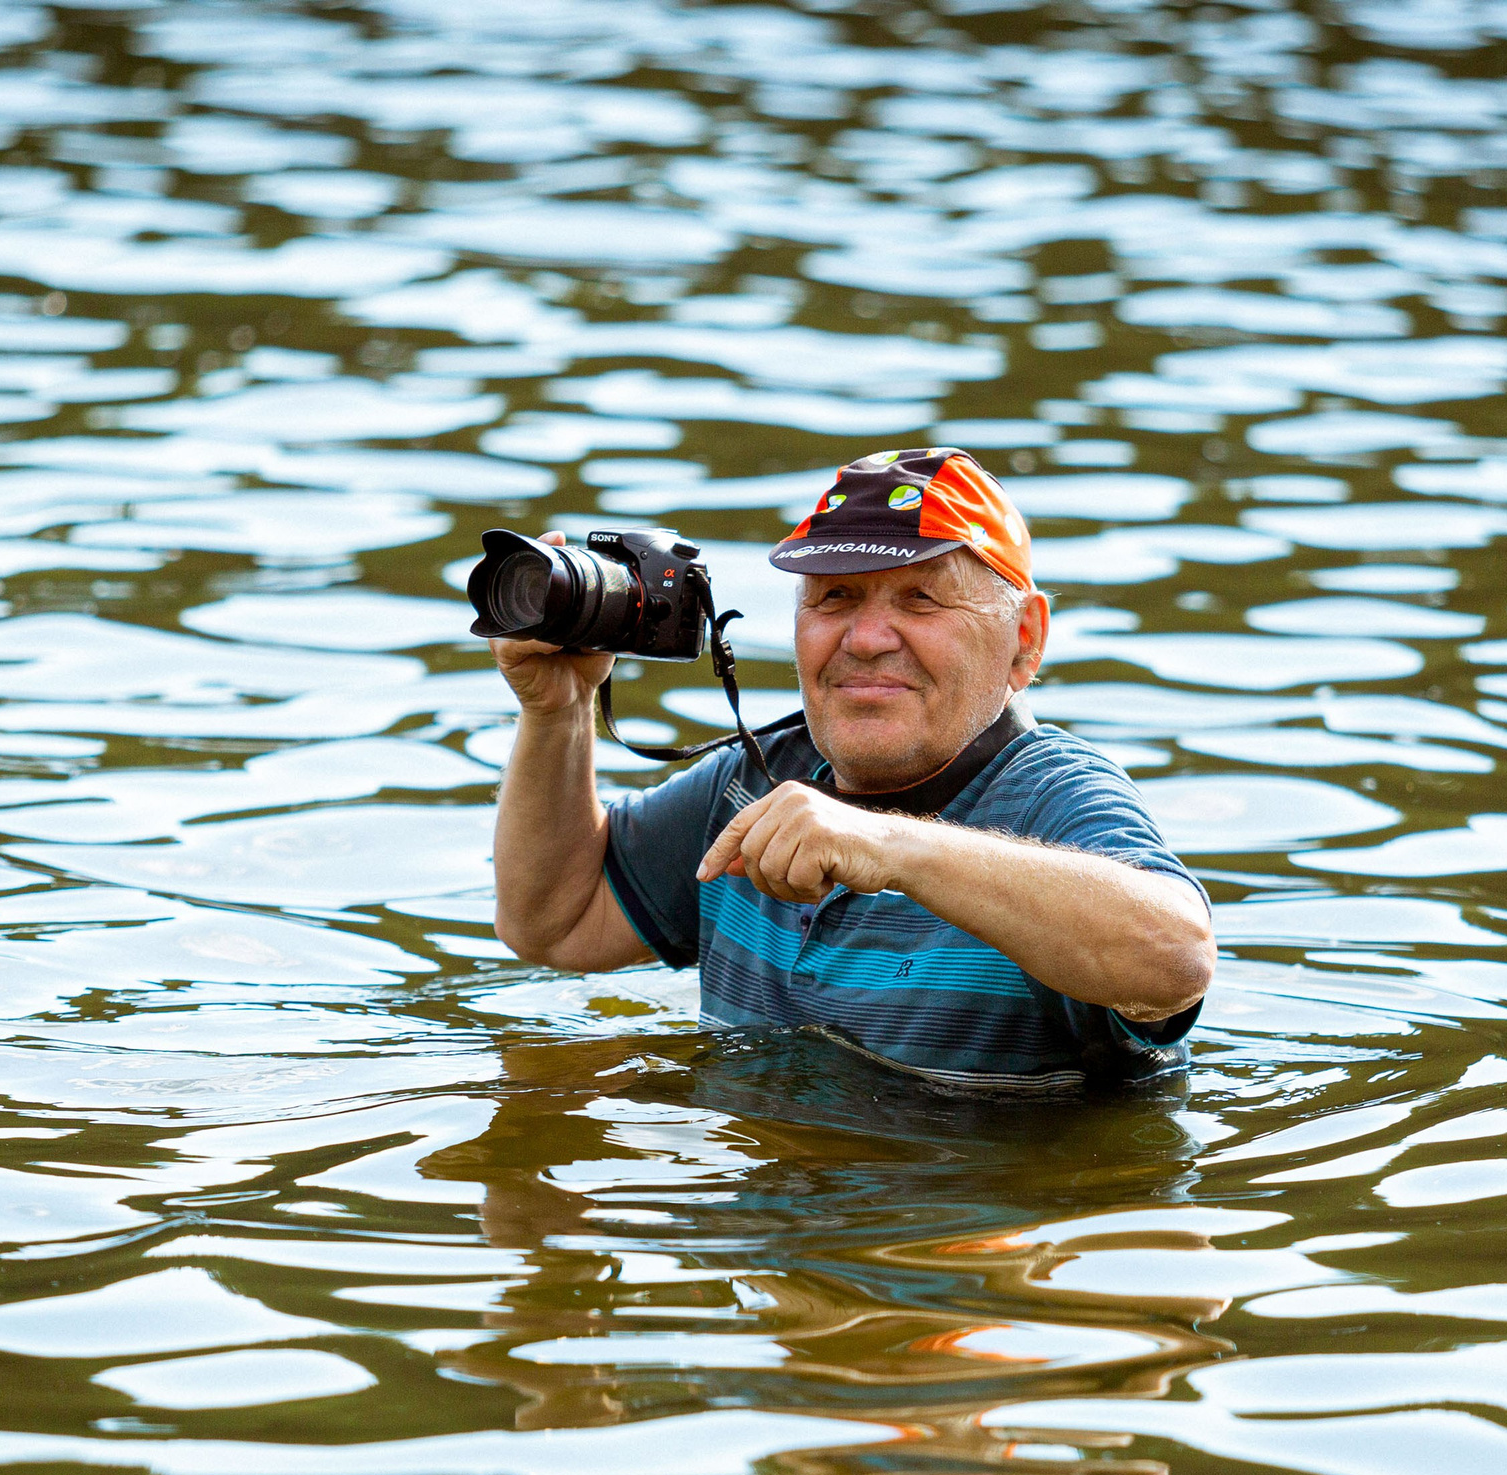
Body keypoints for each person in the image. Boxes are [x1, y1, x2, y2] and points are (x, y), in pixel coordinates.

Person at [489, 446, 1216, 1093]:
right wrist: (558, 712)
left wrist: (890, 845)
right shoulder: (760, 778)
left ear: (1024, 643)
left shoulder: (1053, 795)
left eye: (920, 598)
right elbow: (556, 921)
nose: (866, 639)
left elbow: (1176, 959)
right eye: (835, 596)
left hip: (959, 1229)